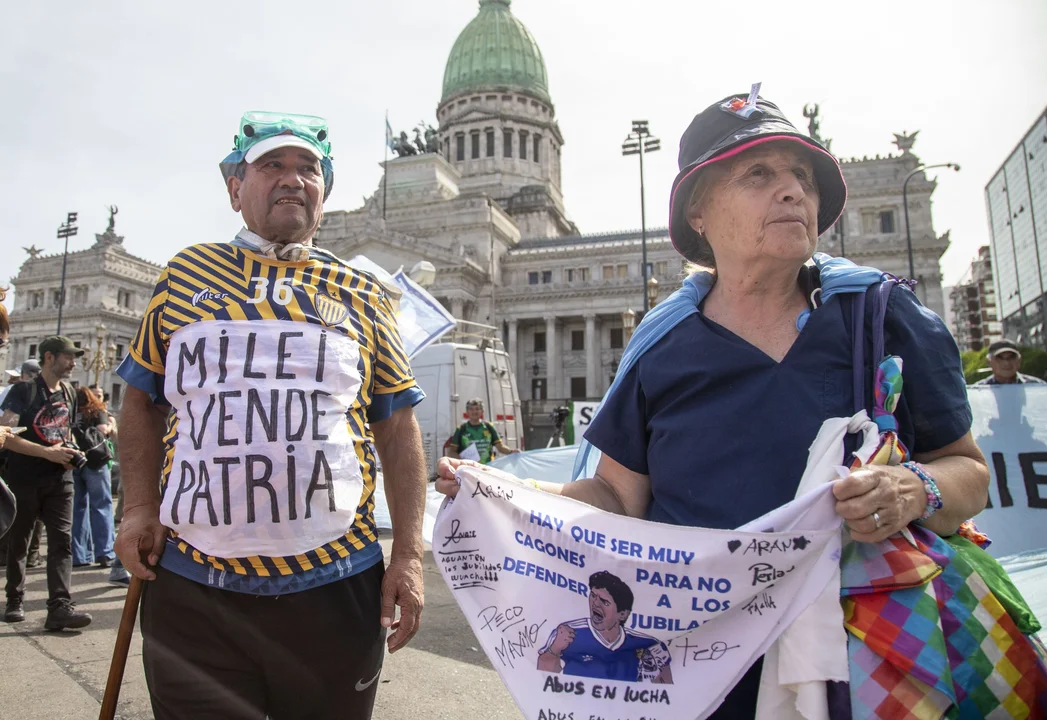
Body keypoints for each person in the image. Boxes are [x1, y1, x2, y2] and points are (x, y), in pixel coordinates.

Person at [438, 93, 989, 717]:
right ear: (697, 212)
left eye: (802, 176)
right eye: (758, 174)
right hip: (700, 673)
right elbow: (617, 498)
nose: (792, 191)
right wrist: (504, 492)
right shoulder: (662, 347)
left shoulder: (883, 318)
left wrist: (913, 489)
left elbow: (969, 472)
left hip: (865, 662)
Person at [115, 110, 428, 720]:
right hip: (195, 586)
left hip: (334, 585)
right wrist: (138, 509)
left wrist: (409, 556)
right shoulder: (183, 276)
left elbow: (397, 427)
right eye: (272, 166)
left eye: (308, 168)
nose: (292, 178)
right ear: (236, 188)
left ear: (324, 193)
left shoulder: (362, 292)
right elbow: (140, 401)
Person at [0, 336, 93, 630]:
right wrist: (47, 453)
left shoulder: (69, 392)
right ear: (49, 357)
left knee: (62, 542)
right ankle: (14, 600)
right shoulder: (23, 391)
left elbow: (67, 430)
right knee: (20, 542)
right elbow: (5, 435)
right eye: (68, 356)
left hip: (61, 479)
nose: (73, 363)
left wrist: (71, 452)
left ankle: (60, 607)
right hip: (24, 478)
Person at [538, 570, 672, 683]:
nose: (595, 603)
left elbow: (665, 693)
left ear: (622, 614)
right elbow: (542, 681)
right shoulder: (568, 633)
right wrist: (554, 649)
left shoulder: (648, 644)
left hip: (626, 705)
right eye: (593, 595)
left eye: (604, 601)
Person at [70, 386, 115, 568]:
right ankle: (105, 552)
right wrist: (111, 426)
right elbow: (103, 430)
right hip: (96, 463)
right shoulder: (97, 411)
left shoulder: (71, 412)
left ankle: (80, 555)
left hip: (75, 461)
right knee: (102, 505)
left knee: (77, 508)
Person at [445, 398, 519, 464]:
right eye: (471, 409)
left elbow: (500, 447)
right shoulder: (461, 429)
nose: (474, 411)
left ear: (482, 411)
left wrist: (511, 451)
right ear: (467, 411)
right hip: (469, 469)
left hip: (487, 468)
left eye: (477, 409)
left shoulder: (489, 427)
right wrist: (462, 463)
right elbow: (452, 452)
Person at [974, 339, 1045, 385]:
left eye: (1011, 357)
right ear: (989, 362)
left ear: (1019, 360)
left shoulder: (1037, 386)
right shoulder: (979, 391)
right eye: (999, 358)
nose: (1006, 363)